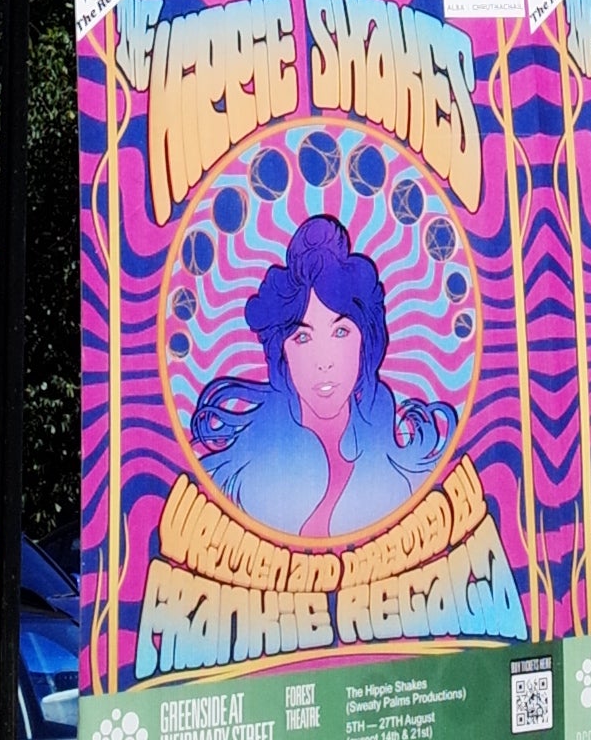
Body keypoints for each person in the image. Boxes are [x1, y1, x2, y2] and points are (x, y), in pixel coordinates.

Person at [192, 213, 452, 539]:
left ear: (365, 343)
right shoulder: (243, 471)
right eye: (302, 337)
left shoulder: (399, 469)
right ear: (282, 353)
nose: (324, 361)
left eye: (341, 331)